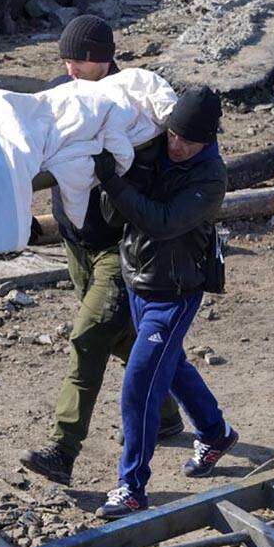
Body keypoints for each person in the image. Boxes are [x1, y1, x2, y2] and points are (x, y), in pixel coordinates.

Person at [20, 15, 183, 486]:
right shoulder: (60, 92)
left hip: (121, 247)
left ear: (104, 60)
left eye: (79, 62)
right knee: (120, 338)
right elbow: (33, 149)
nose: (69, 71)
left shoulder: (133, 107)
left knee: (89, 337)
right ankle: (171, 410)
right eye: (66, 61)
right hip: (77, 243)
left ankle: (62, 449)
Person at [93, 86, 238, 519]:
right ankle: (215, 432)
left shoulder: (210, 178)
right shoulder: (154, 146)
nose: (177, 146)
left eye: (188, 142)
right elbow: (113, 214)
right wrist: (120, 174)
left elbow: (162, 222)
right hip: (139, 280)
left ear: (207, 140)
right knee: (169, 365)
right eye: (173, 135)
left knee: (141, 383)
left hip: (175, 293)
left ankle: (132, 487)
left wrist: (114, 182)